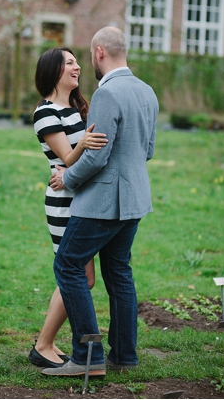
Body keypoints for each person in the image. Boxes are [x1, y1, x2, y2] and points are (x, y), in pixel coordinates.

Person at [41, 26, 159, 377]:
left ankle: (87, 357)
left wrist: (66, 177)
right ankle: (123, 356)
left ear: (98, 53)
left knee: (67, 265)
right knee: (119, 273)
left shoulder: (106, 94)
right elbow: (148, 150)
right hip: (135, 199)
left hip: (102, 202)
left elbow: (95, 157)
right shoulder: (147, 91)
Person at [29, 47, 108, 369]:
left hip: (79, 197)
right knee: (77, 274)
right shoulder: (46, 112)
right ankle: (43, 345)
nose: (77, 67)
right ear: (54, 70)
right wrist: (83, 145)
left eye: (77, 61)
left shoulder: (74, 107)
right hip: (64, 203)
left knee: (79, 275)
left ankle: (45, 343)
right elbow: (66, 157)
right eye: (70, 62)